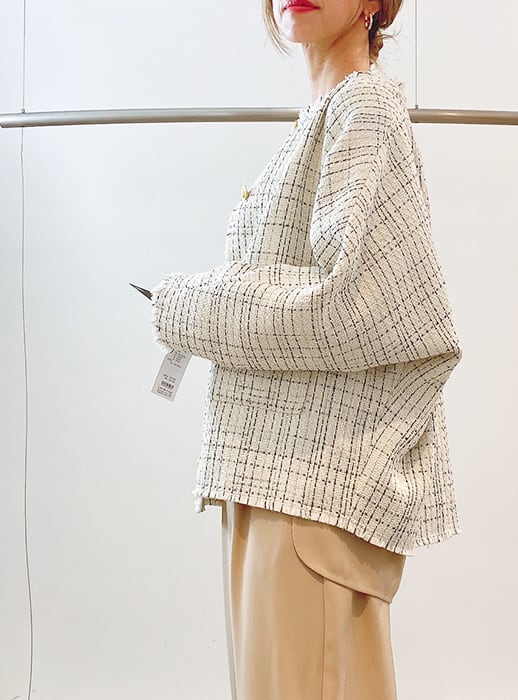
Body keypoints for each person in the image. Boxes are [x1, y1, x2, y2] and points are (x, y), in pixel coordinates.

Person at [150, 1, 463, 697]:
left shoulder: (365, 110)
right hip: (280, 488)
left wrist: (190, 307)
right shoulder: (329, 116)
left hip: (309, 498)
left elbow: (349, 306)